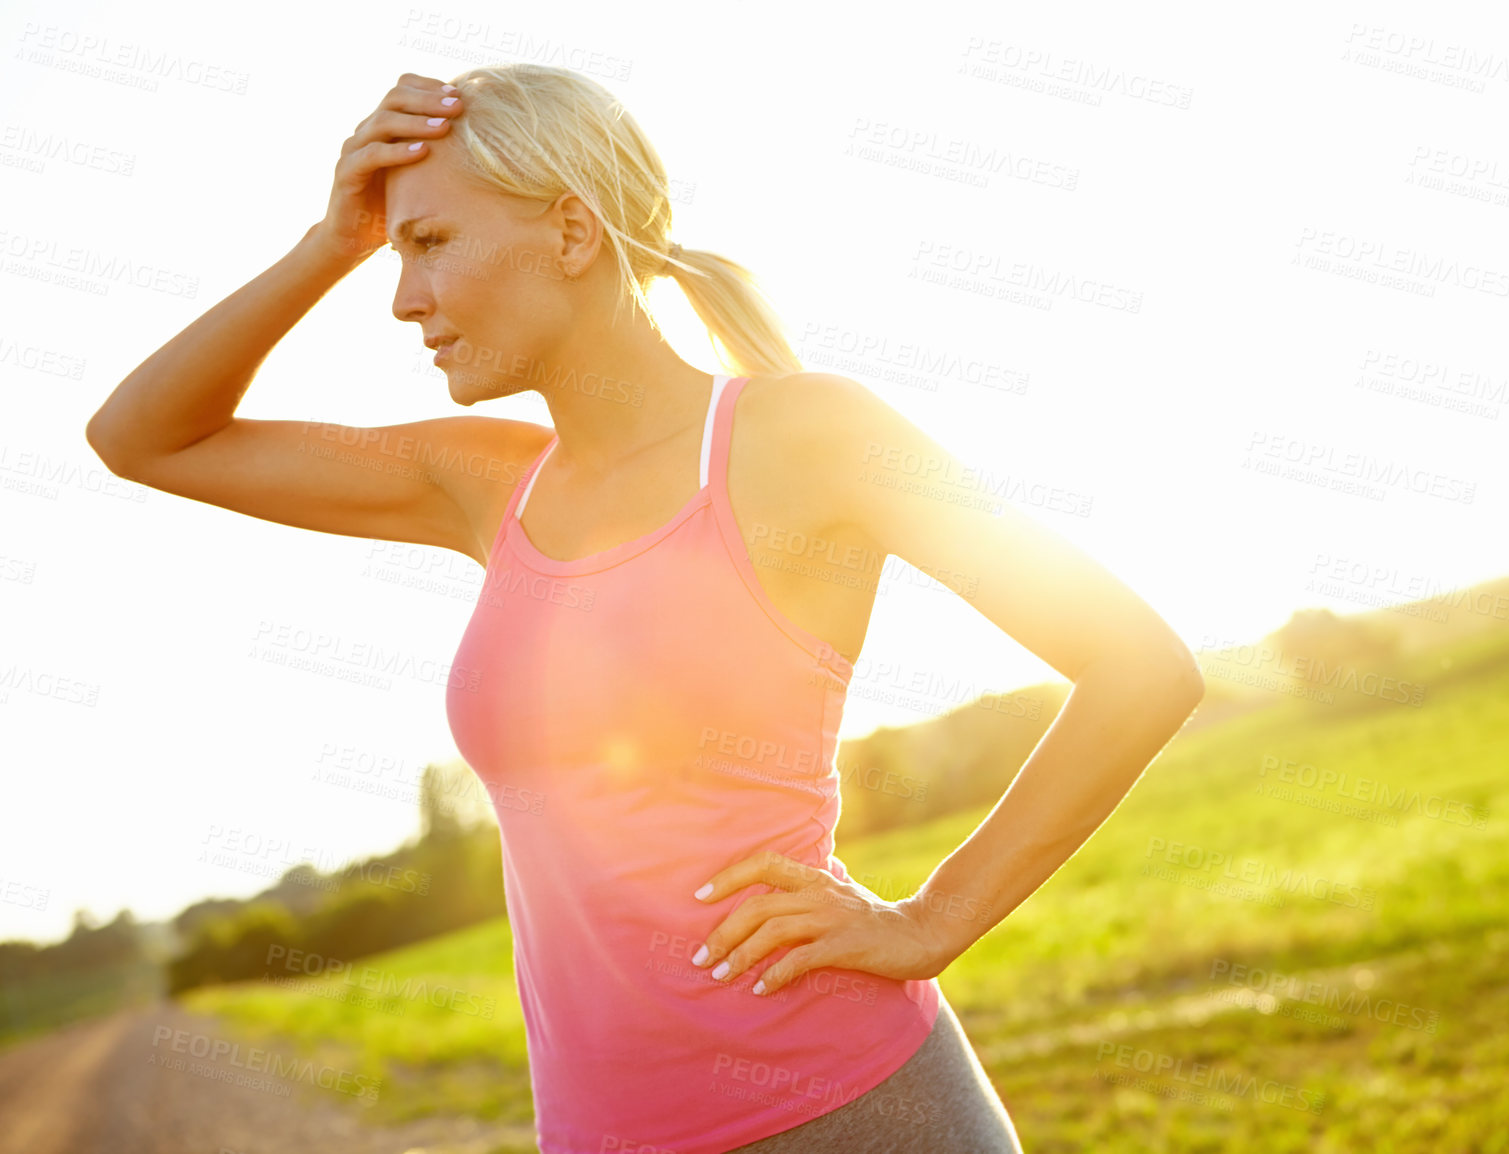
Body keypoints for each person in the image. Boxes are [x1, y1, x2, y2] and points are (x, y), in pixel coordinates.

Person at [85, 64, 1204, 1154]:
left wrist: (932, 917)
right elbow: (141, 437)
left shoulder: (805, 436)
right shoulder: (483, 483)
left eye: (427, 242)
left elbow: (1137, 662)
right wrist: (330, 238)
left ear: (571, 234)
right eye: (392, 249)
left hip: (853, 1110)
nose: (400, 296)